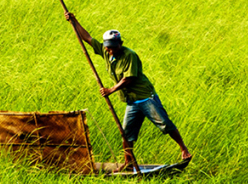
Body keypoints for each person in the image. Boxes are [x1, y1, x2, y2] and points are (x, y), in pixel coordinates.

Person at [65, 12, 191, 168]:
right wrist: (74, 20)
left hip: (145, 97)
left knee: (164, 123)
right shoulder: (106, 51)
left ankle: (183, 148)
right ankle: (128, 162)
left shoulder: (129, 55)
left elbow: (128, 79)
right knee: (127, 133)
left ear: (120, 43)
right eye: (108, 47)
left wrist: (111, 90)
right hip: (131, 101)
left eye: (113, 47)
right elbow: (88, 38)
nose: (110, 50)